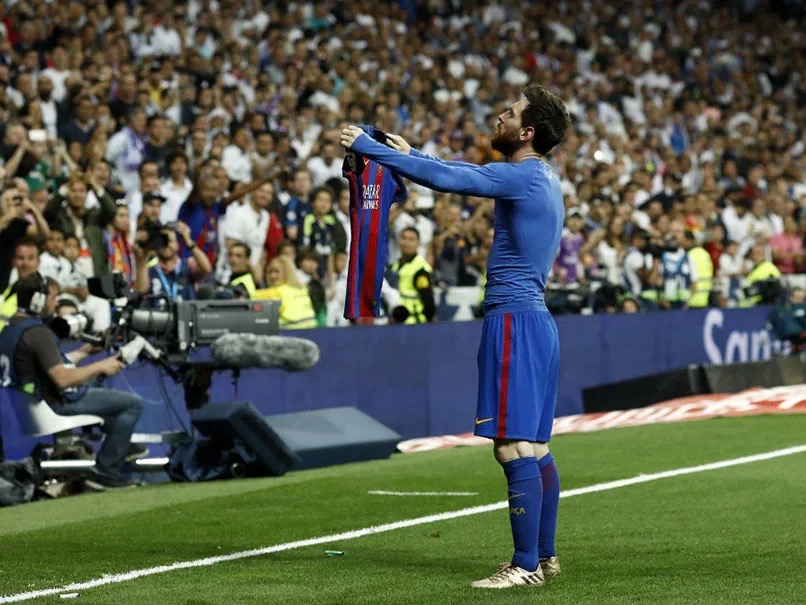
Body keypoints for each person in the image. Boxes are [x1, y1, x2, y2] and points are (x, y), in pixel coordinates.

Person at [341, 83, 571, 588]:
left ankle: (525, 565)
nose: (500, 117)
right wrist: (411, 154)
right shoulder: (544, 178)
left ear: (527, 132)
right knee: (534, 446)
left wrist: (369, 148)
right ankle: (546, 557)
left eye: (509, 114)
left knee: (511, 447)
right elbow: (460, 172)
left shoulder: (524, 176)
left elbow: (454, 178)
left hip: (513, 320)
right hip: (536, 321)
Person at [0, 273, 143, 489]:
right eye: (53, 298)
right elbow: (62, 378)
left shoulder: (11, 329)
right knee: (132, 404)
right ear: (38, 300)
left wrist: (85, 352)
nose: (56, 303)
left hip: (29, 404)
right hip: (52, 405)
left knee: (98, 385)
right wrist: (100, 365)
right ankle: (107, 472)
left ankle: (121, 444)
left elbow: (49, 366)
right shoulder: (38, 332)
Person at [389, 227, 435, 324]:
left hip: (414, 322)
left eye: (411, 239)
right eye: (403, 238)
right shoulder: (395, 266)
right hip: (397, 321)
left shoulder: (420, 269)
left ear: (417, 244)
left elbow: (428, 300)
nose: (406, 242)